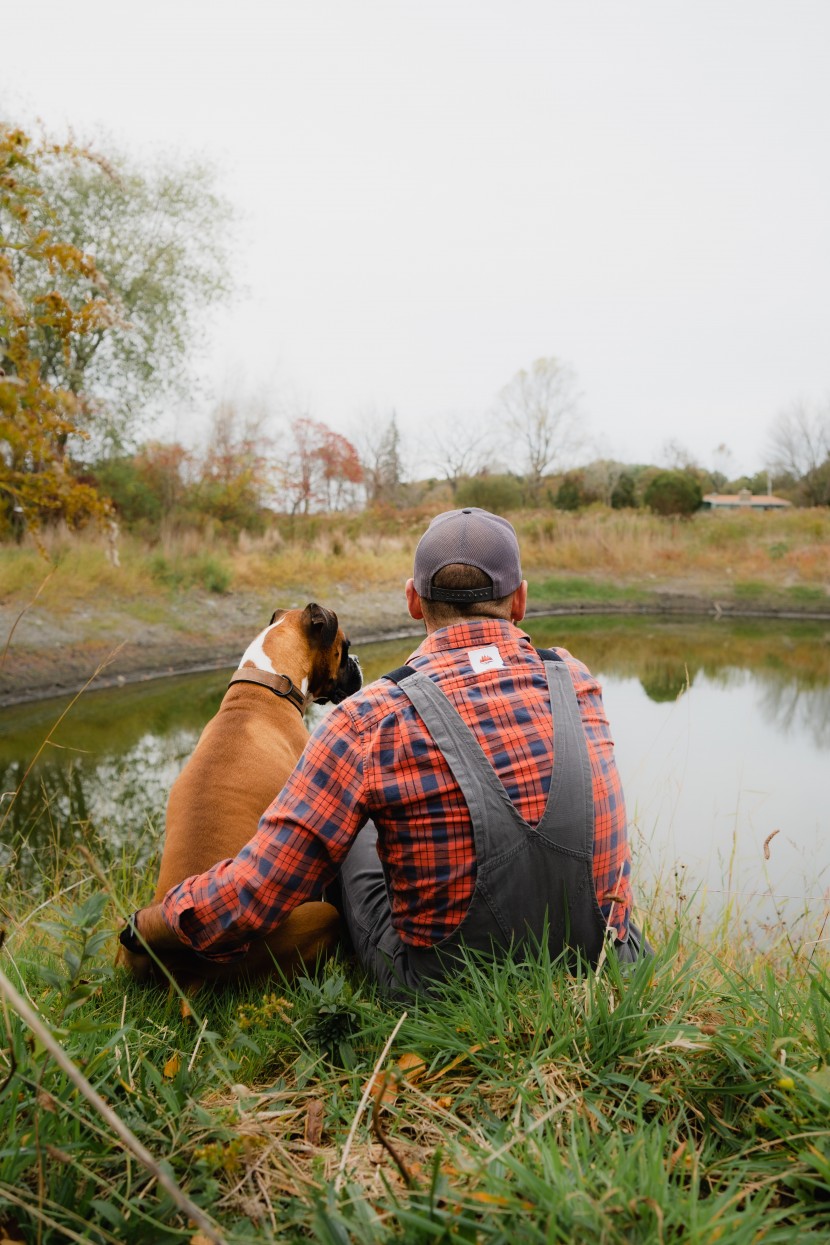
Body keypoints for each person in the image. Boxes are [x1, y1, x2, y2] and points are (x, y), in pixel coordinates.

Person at [122, 507, 648, 996]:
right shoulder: (576, 679)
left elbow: (257, 890)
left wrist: (149, 924)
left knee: (351, 826)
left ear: (413, 600)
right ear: (521, 600)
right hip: (604, 959)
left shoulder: (368, 719)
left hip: (445, 986)